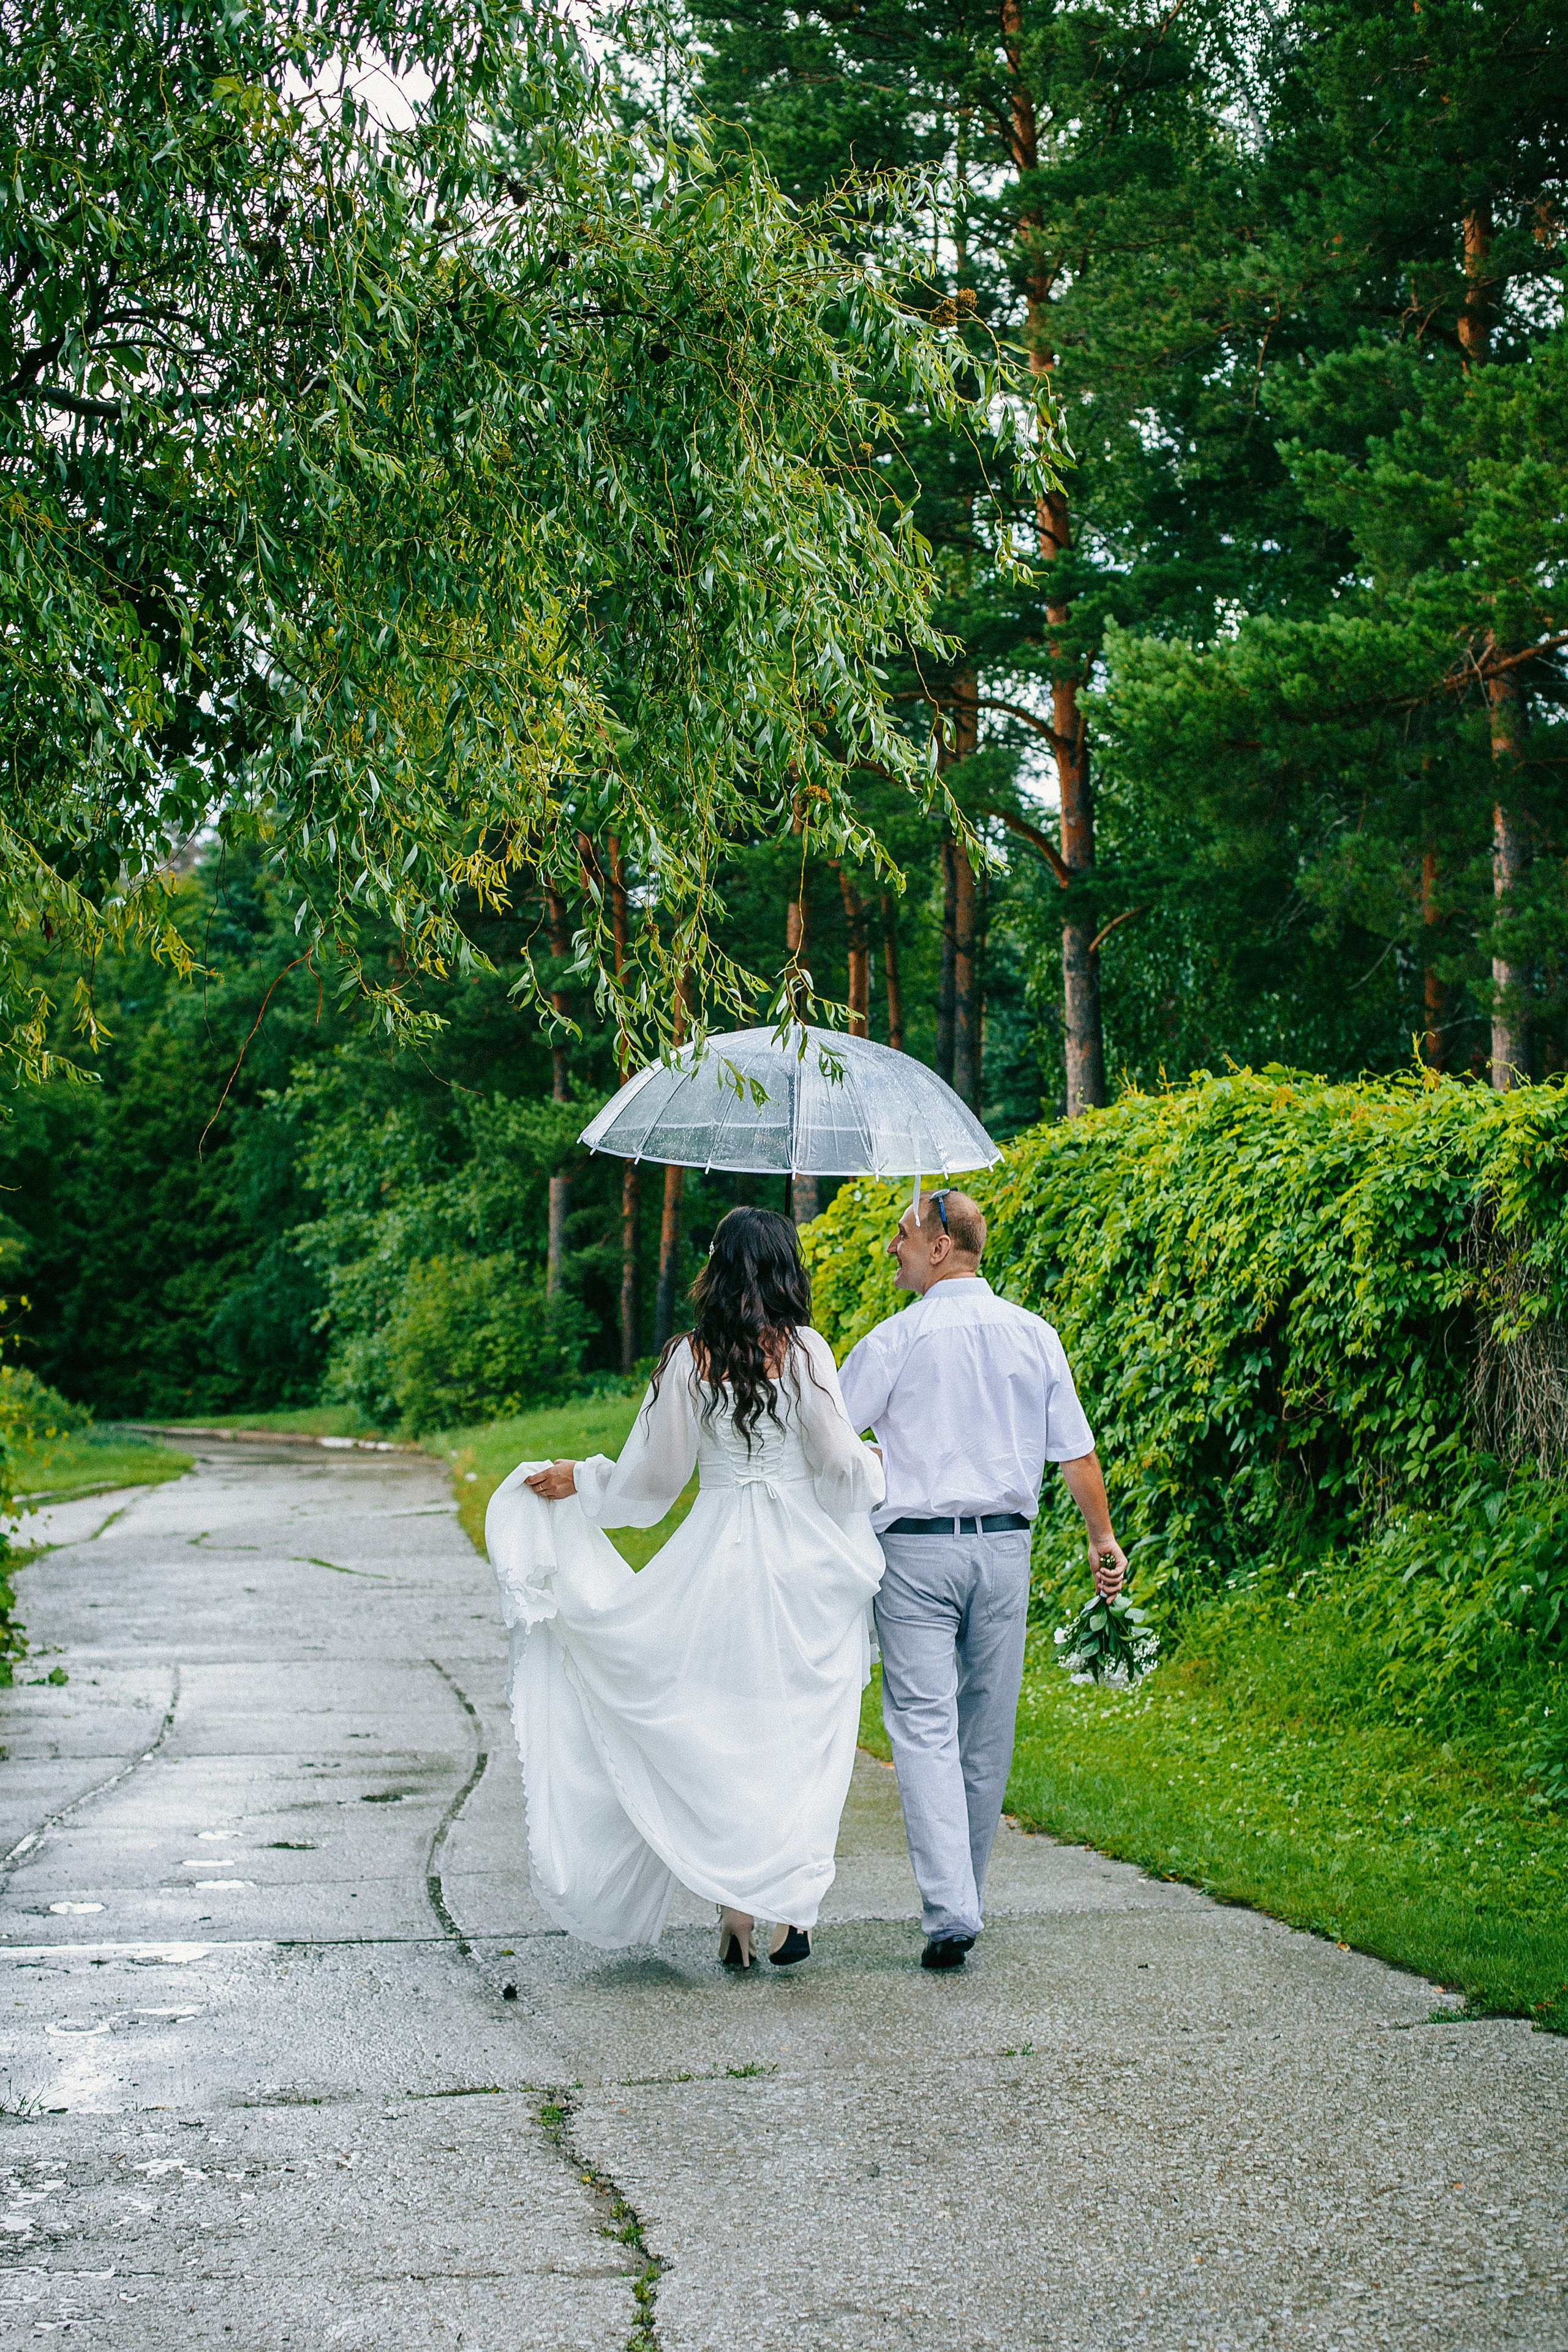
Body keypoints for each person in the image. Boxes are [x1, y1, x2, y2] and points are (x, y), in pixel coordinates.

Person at [486, 1205, 885, 1967]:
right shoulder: (805, 1352)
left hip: (719, 1562)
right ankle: (789, 1909)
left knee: (724, 1729)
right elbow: (837, 1466)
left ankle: (734, 1912)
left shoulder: (687, 1359)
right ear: (786, 1268)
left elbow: (655, 1481)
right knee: (801, 1733)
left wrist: (587, 1480)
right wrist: (875, 1466)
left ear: (716, 1267)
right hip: (802, 1569)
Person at [837, 1188, 1125, 1972]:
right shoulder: (1033, 1335)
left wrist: (874, 1463)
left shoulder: (892, 1343)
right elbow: (1076, 1453)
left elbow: (828, 1441)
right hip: (1004, 1554)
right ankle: (962, 1899)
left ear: (939, 1246)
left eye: (901, 1235)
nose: (891, 1247)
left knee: (924, 1727)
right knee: (984, 1732)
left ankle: (952, 1907)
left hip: (918, 1557)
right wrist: (1102, 1538)